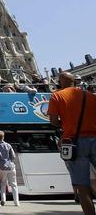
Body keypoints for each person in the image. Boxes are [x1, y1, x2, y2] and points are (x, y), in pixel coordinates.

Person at [48, 71, 96, 215]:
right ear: (75, 81)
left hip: (75, 142)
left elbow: (53, 121)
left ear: (60, 82)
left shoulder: (56, 96)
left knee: (82, 187)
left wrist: (66, 123)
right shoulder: (90, 96)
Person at [0, 130, 19, 206]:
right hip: (11, 167)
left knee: (3, 183)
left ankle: (3, 199)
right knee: (14, 184)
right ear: (3, 137)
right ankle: (16, 202)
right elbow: (13, 156)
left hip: (1, 167)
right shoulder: (8, 145)